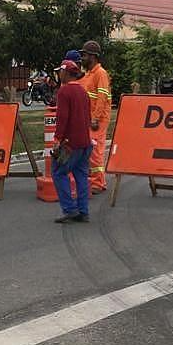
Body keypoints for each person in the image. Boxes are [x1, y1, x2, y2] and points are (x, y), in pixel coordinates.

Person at [52, 60, 92, 224]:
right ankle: (83, 211)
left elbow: (62, 119)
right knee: (81, 175)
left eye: (60, 72)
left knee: (59, 173)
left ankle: (70, 209)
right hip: (85, 142)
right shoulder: (83, 91)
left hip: (70, 144)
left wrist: (57, 139)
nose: (58, 75)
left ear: (65, 72)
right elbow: (88, 118)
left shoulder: (64, 92)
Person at [78, 40, 112, 194]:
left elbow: (102, 97)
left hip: (98, 119)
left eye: (84, 55)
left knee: (94, 150)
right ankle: (93, 180)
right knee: (88, 149)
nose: (82, 58)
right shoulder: (89, 74)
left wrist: (95, 118)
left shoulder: (100, 73)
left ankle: (99, 183)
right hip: (89, 118)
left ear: (92, 56)